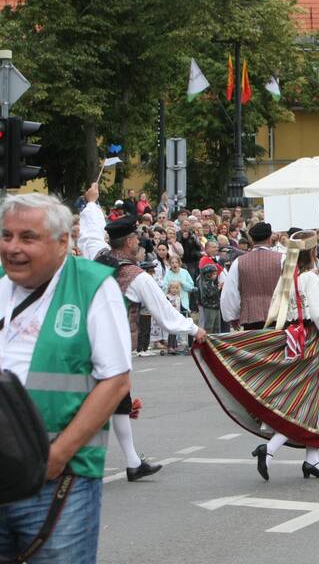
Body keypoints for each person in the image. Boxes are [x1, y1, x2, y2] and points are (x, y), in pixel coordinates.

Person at [0, 193, 132, 564]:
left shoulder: (92, 285)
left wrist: (56, 457)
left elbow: (115, 381)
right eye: (6, 236)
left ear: (63, 243)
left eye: (27, 237)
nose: (13, 248)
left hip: (59, 479)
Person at [193, 231, 319, 480]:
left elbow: (277, 311)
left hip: (289, 336)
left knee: (310, 396)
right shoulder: (310, 279)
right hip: (307, 338)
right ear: (313, 253)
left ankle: (312, 459)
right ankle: (272, 449)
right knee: (307, 397)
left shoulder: (288, 278)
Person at [79, 183, 205, 482]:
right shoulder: (136, 277)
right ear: (131, 240)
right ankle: (75, 461)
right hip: (110, 346)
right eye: (137, 238)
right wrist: (194, 328)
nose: (139, 243)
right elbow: (166, 314)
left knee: (118, 400)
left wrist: (92, 203)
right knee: (105, 399)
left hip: (82, 339)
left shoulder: (97, 254)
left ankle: (133, 461)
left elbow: (91, 233)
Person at [220, 222, 283, 331]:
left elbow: (230, 292)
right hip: (278, 316)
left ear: (252, 241)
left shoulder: (239, 262)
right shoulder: (282, 259)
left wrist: (233, 317)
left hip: (251, 317)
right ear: (269, 239)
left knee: (256, 347)